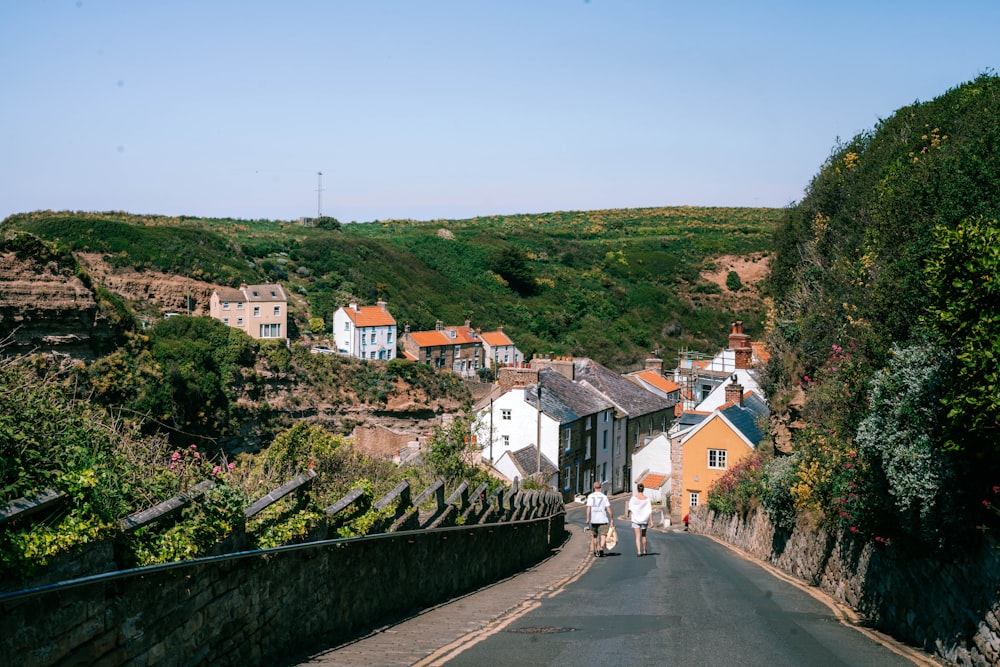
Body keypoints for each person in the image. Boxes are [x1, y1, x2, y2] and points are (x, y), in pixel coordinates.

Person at [585, 481, 612, 557]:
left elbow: (588, 508)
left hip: (594, 519)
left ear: (594, 488)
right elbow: (608, 508)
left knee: (595, 536)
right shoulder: (604, 497)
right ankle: (601, 548)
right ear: (600, 487)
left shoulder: (590, 496)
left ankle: (595, 550)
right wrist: (612, 518)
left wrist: (587, 518)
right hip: (603, 519)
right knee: (603, 535)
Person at [627, 482, 652, 556]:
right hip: (644, 520)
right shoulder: (647, 499)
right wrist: (651, 521)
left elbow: (630, 508)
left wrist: (628, 514)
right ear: (643, 489)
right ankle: (644, 550)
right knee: (643, 535)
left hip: (636, 520)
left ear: (637, 489)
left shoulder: (633, 498)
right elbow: (649, 510)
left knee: (637, 536)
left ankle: (639, 552)